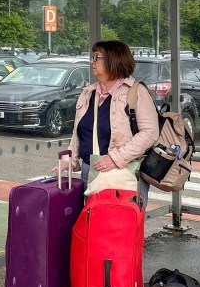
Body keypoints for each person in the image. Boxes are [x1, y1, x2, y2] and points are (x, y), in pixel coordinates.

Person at [57, 40, 158, 201]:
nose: (92, 61)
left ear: (113, 60)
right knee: (90, 223)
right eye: (92, 56)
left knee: (120, 224)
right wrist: (69, 160)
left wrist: (116, 158)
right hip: (90, 170)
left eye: (97, 57)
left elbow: (150, 133)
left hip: (123, 172)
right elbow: (79, 133)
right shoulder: (88, 93)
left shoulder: (136, 92)